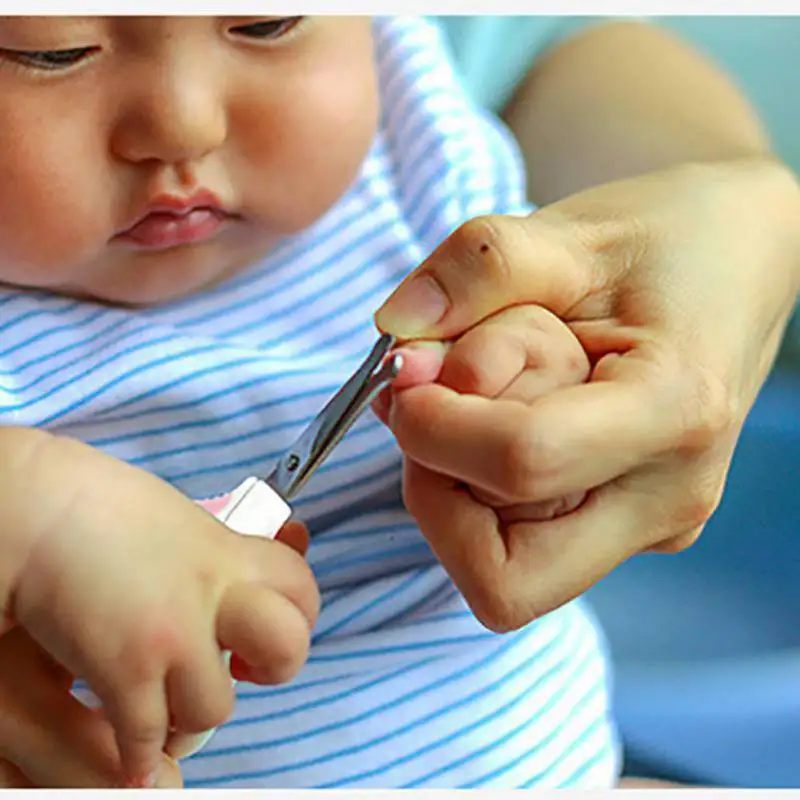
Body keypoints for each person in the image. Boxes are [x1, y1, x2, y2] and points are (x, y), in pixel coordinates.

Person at [0, 14, 797, 790]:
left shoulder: (414, 168)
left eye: (267, 25)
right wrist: (31, 513)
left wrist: (536, 382)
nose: (183, 125)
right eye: (52, 53)